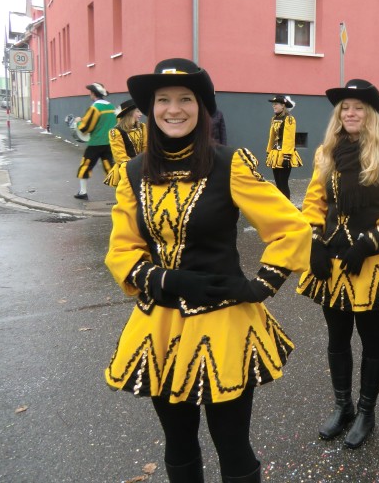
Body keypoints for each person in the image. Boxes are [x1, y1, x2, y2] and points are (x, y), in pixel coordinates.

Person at [104, 58, 311, 483]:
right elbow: (122, 248)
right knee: (178, 442)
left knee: (232, 444)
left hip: (223, 326)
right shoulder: (133, 172)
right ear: (149, 109)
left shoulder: (228, 163)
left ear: (202, 108)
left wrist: (261, 285)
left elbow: (291, 227)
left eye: (185, 99)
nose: (173, 109)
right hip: (160, 324)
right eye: (163, 100)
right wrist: (163, 278)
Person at [296, 79, 379, 450]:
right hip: (332, 263)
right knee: (336, 338)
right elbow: (314, 204)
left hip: (372, 265)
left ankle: (367, 412)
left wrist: (368, 244)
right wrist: (315, 241)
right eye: (345, 108)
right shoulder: (325, 154)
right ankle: (343, 406)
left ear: (374, 115)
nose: (350, 113)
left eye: (358, 107)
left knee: (371, 340)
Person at [74, 83, 116, 199]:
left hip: (95, 143)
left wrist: (78, 121)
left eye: (90, 93)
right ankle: (120, 193)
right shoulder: (111, 107)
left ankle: (83, 192)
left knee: (85, 166)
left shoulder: (95, 108)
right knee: (110, 167)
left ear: (93, 94)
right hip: (109, 142)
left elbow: (85, 128)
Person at [103, 99, 147, 187]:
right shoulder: (116, 132)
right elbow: (119, 156)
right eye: (138, 111)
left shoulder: (142, 127)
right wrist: (134, 168)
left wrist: (146, 163)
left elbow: (146, 146)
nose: (141, 114)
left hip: (143, 168)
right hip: (125, 171)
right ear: (129, 113)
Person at [266, 95, 302, 200]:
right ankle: (280, 206)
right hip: (275, 154)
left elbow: (289, 138)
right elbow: (272, 137)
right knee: (278, 183)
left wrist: (287, 156)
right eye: (273, 104)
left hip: (285, 154)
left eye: (276, 104)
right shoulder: (274, 119)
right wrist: (269, 152)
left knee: (283, 182)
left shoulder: (289, 119)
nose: (274, 106)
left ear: (283, 106)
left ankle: (287, 207)